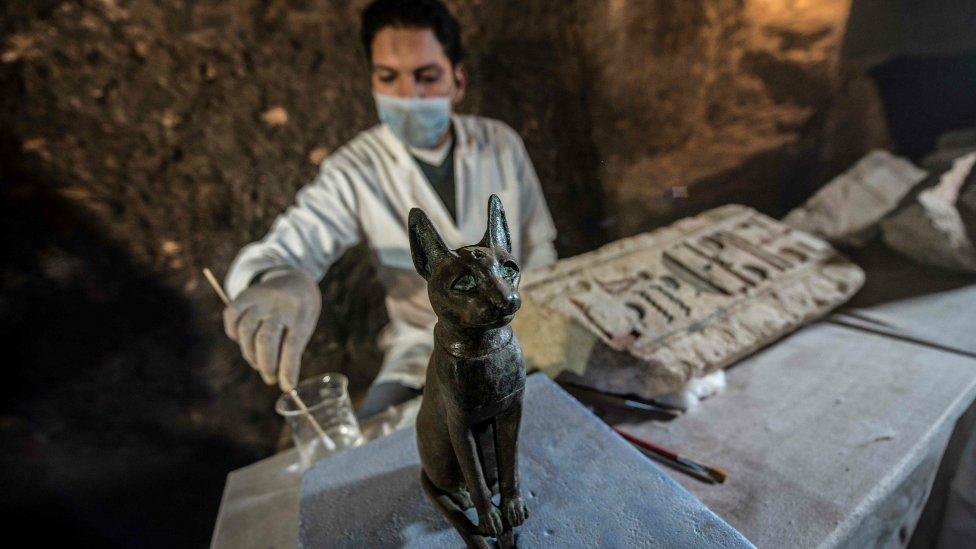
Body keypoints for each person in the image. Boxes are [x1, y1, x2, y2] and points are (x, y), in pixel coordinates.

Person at [221, 0, 558, 419]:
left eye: (426, 76)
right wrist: (280, 279)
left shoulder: (500, 144)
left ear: (458, 81)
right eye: (388, 78)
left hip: (517, 331)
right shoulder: (355, 169)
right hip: (423, 348)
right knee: (382, 452)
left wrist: (545, 325)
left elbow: (538, 244)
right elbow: (282, 251)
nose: (408, 95)